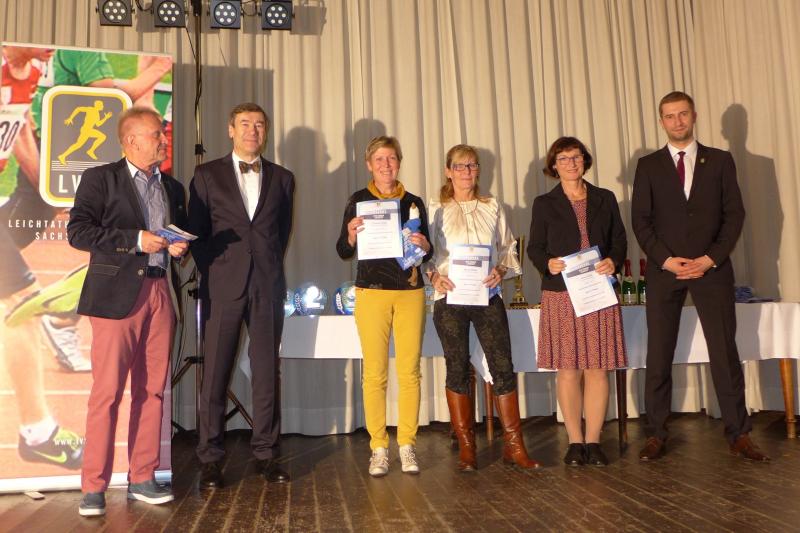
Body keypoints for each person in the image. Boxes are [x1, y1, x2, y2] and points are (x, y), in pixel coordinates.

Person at [631, 91, 768, 462]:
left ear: (694, 116)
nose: (677, 121)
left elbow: (734, 215)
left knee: (724, 351)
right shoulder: (648, 165)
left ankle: (738, 433)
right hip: (666, 271)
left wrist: (710, 259)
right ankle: (656, 433)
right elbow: (641, 221)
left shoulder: (720, 161)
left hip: (712, 270)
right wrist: (666, 260)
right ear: (661, 120)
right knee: (659, 353)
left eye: (683, 114)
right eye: (670, 115)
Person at [67, 107, 188, 516]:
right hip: (115, 296)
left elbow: (172, 234)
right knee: (107, 393)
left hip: (160, 292)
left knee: (152, 391)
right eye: (157, 135)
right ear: (131, 140)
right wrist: (136, 239)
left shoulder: (172, 187)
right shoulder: (100, 179)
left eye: (163, 134)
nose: (164, 140)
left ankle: (143, 477)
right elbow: (78, 231)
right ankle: (93, 486)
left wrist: (176, 246)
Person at [188, 102, 295, 488]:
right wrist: (216, 271)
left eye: (259, 124)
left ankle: (266, 454)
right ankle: (210, 458)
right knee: (215, 373)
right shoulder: (206, 175)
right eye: (245, 124)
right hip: (222, 287)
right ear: (231, 129)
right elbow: (197, 233)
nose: (253, 130)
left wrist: (265, 268)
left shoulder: (283, 178)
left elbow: (280, 233)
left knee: (267, 372)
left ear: (266, 131)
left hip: (267, 285)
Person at [428, 144, 539, 471]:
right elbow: (422, 254)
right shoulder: (435, 208)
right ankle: (467, 447)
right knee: (457, 367)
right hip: (449, 298)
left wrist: (501, 270)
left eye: (472, 166)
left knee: (503, 365)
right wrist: (433, 276)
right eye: (460, 166)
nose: (467, 172)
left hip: (487, 295)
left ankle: (514, 446)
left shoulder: (493, 206)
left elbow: (507, 249)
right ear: (448, 171)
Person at [528, 137, 627, 467]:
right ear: (553, 166)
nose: (571, 163)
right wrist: (548, 263)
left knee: (597, 369)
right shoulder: (544, 203)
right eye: (563, 158)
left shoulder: (605, 198)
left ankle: (594, 442)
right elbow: (535, 247)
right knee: (568, 370)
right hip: (561, 294)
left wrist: (613, 260)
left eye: (576, 157)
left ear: (585, 160)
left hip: (598, 291)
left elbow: (619, 240)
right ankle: (574, 442)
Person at [336, 136, 432, 476]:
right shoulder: (358, 201)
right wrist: (351, 235)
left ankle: (407, 444)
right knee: (374, 374)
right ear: (369, 164)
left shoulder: (414, 202)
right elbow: (343, 250)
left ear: (399, 162)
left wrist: (425, 245)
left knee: (409, 372)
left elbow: (428, 252)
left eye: (391, 158)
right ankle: (378, 447)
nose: (386, 164)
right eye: (379, 159)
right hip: (371, 292)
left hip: (410, 292)